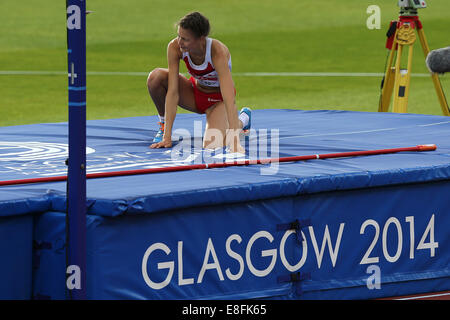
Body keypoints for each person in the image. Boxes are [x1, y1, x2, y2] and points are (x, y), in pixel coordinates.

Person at [147, 11, 251, 153]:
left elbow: (229, 98)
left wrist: (235, 142)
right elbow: (173, 92)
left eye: (185, 39)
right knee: (156, 77)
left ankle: (242, 120)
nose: (179, 42)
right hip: (194, 94)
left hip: (217, 101)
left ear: (201, 39)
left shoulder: (217, 52)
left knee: (212, 146)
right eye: (178, 36)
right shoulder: (175, 47)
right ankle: (163, 125)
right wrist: (167, 137)